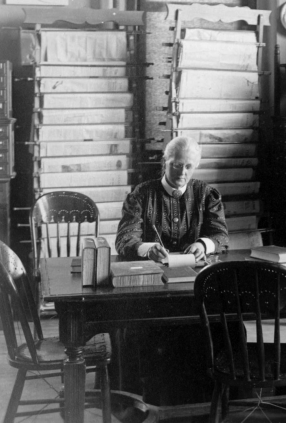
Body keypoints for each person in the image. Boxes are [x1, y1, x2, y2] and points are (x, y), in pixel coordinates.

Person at [114, 136, 230, 406]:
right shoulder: (142, 194)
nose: (183, 173)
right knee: (146, 336)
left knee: (216, 327)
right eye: (177, 165)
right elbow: (124, 240)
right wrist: (146, 248)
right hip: (151, 288)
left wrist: (204, 244)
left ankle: (204, 398)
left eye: (189, 166)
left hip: (194, 285)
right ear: (165, 163)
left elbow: (222, 236)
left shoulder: (205, 193)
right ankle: (151, 400)